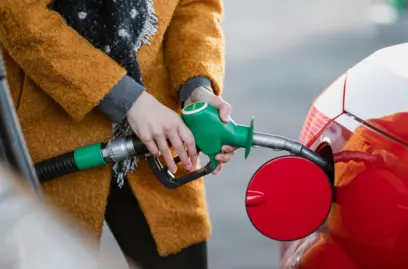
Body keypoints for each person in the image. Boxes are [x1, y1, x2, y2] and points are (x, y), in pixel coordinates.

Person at [0, 0, 234, 268]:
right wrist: (127, 99)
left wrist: (197, 85)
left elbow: (195, 6)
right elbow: (18, 14)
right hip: (50, 127)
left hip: (159, 130)